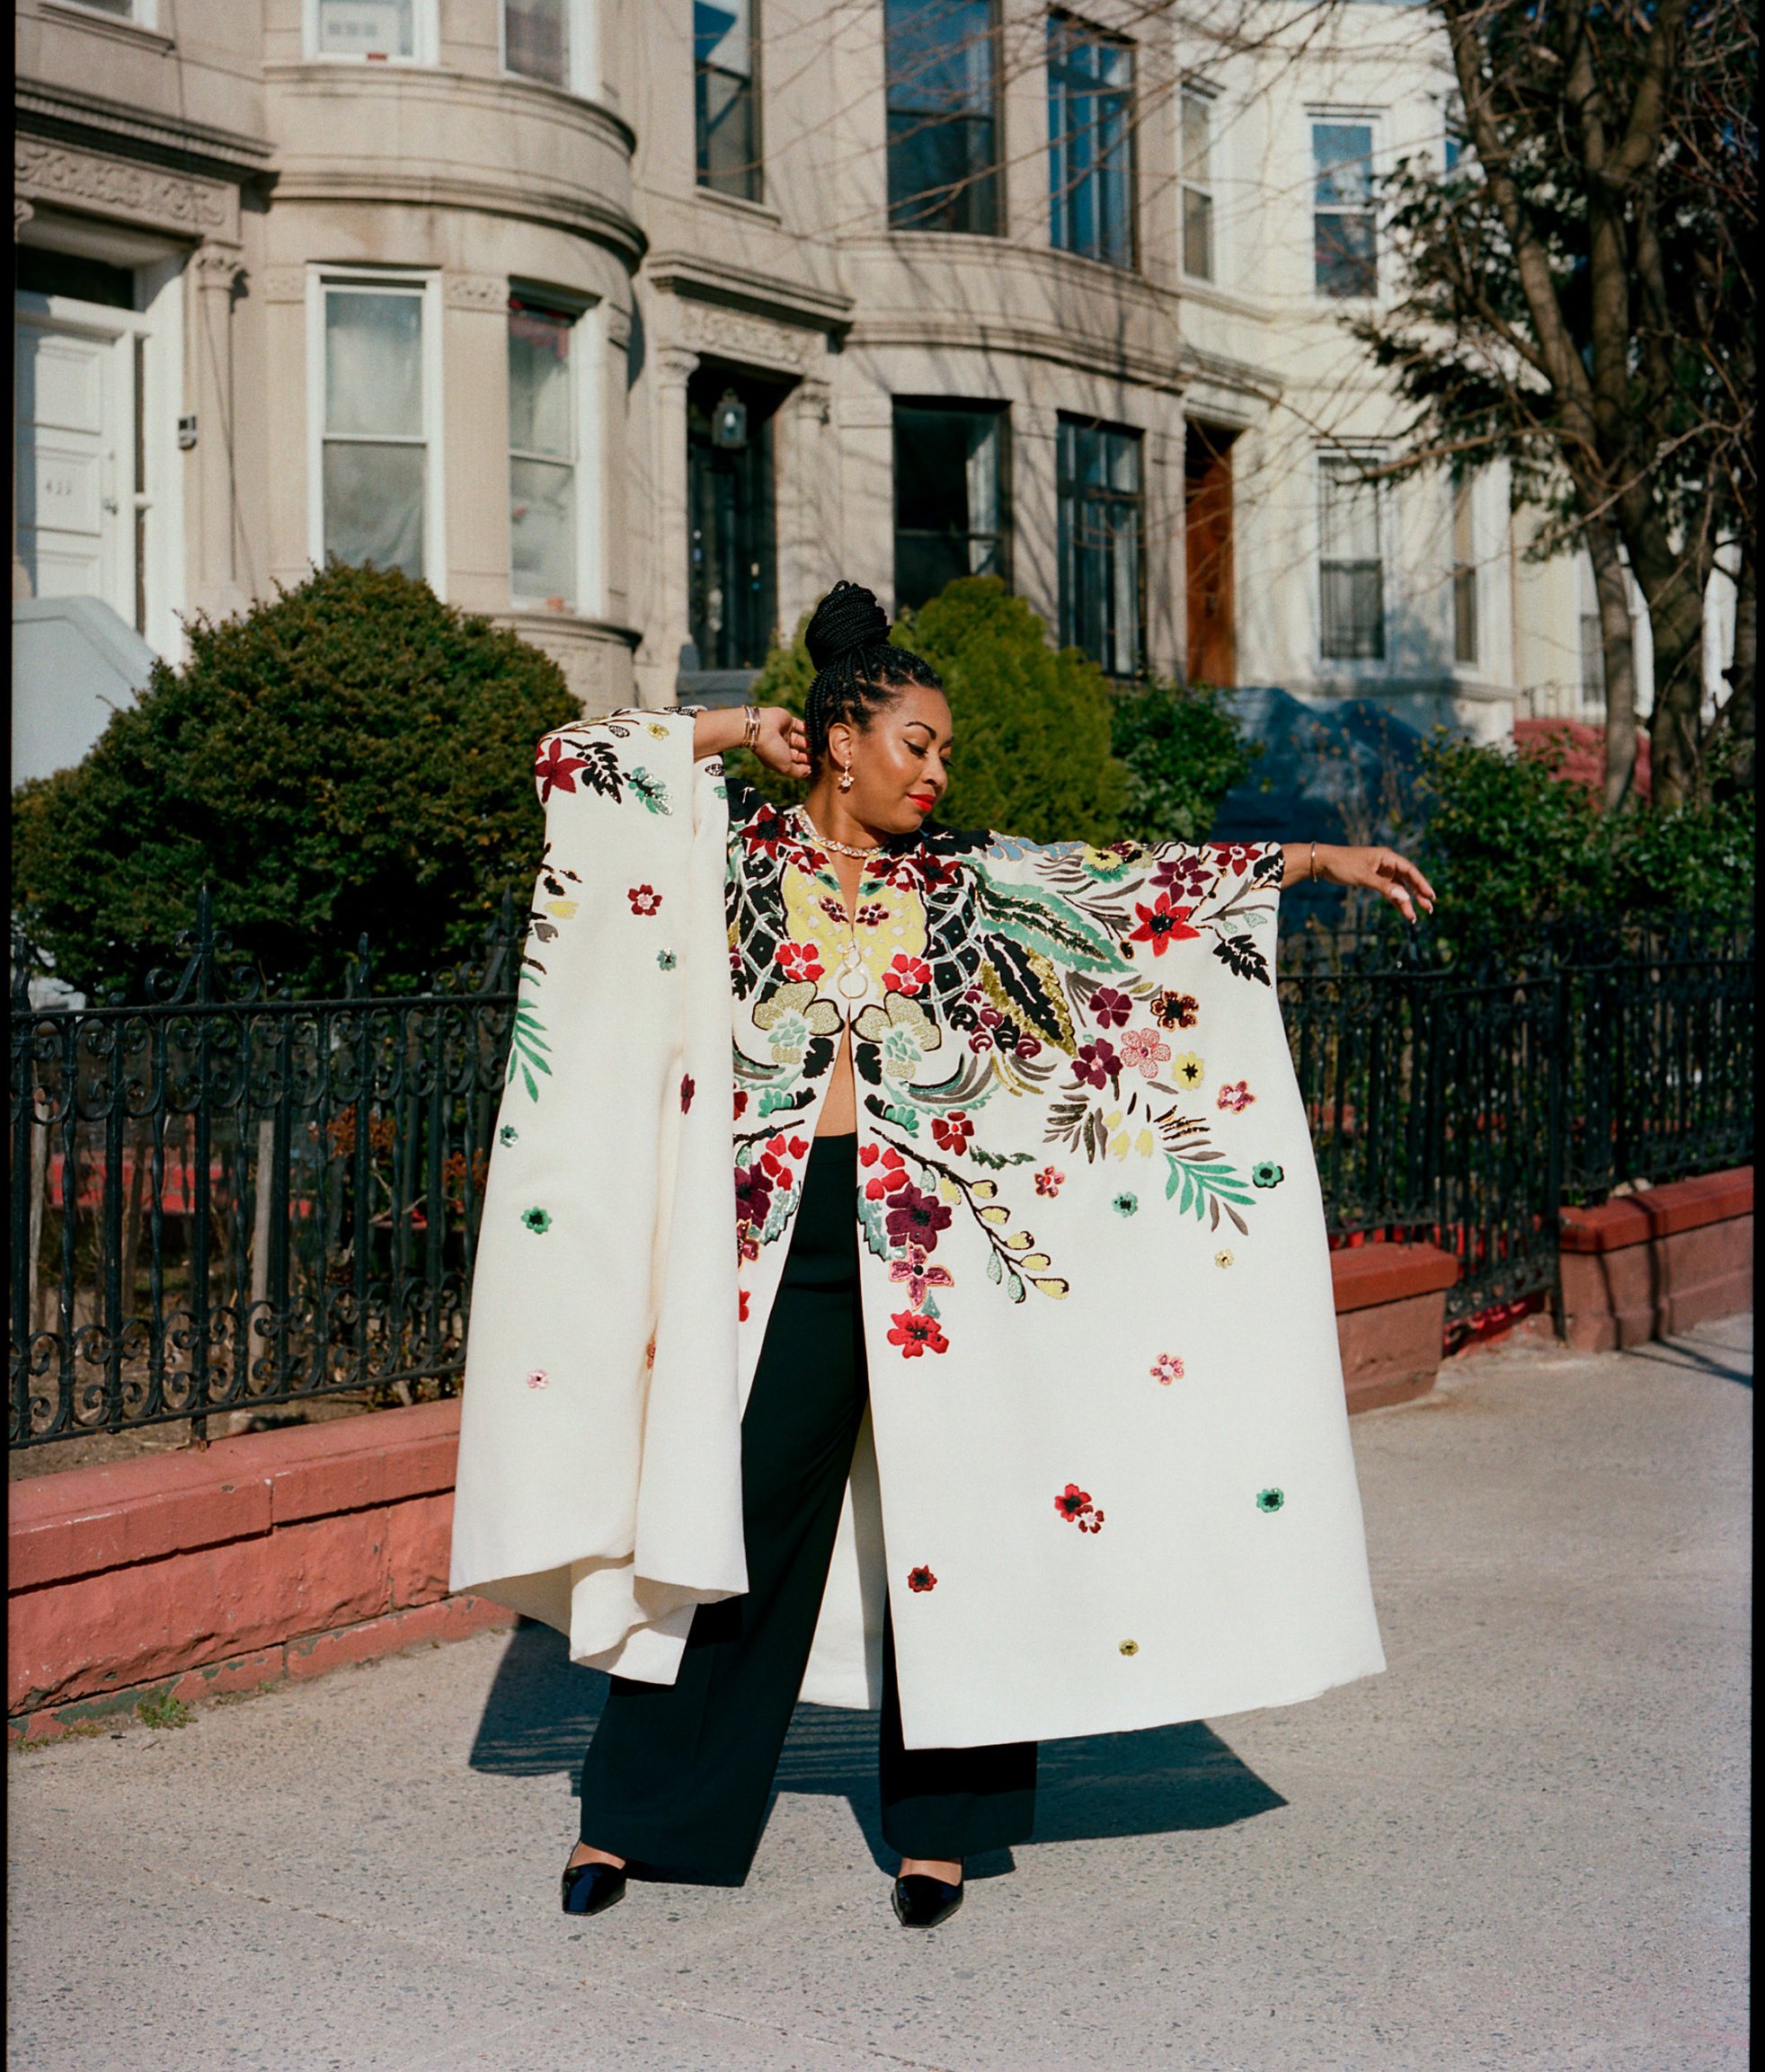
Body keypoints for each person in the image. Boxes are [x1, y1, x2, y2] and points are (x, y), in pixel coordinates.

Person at [448, 581, 1436, 1931]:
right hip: (780, 1238)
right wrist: (740, 731)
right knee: (730, 1517)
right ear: (842, 742)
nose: (937, 770)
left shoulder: (966, 883)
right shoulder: (729, 861)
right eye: (916, 743)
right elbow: (578, 765)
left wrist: (1311, 867)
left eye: (946, 752)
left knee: (961, 1521)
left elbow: (1129, 891)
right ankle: (642, 1817)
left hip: (937, 1252)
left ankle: (945, 1831)